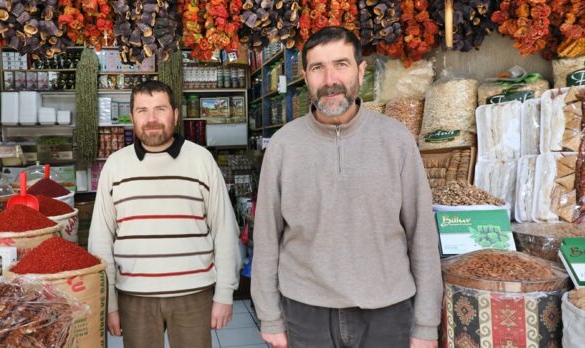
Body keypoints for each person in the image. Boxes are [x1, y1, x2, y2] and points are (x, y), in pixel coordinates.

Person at [251, 26, 442, 348]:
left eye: (341, 64)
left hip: (387, 310)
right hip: (305, 311)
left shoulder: (396, 140)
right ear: (305, 76)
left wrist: (425, 323)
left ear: (360, 70)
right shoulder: (284, 145)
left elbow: (421, 234)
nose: (330, 80)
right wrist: (269, 315)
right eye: (317, 68)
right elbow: (267, 236)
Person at [88, 80, 242, 348]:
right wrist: (109, 303)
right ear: (132, 116)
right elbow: (101, 240)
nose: (151, 119)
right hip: (134, 298)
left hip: (194, 295)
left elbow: (225, 231)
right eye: (142, 110)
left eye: (160, 109)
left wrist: (225, 294)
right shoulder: (115, 166)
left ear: (176, 114)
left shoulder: (201, 160)